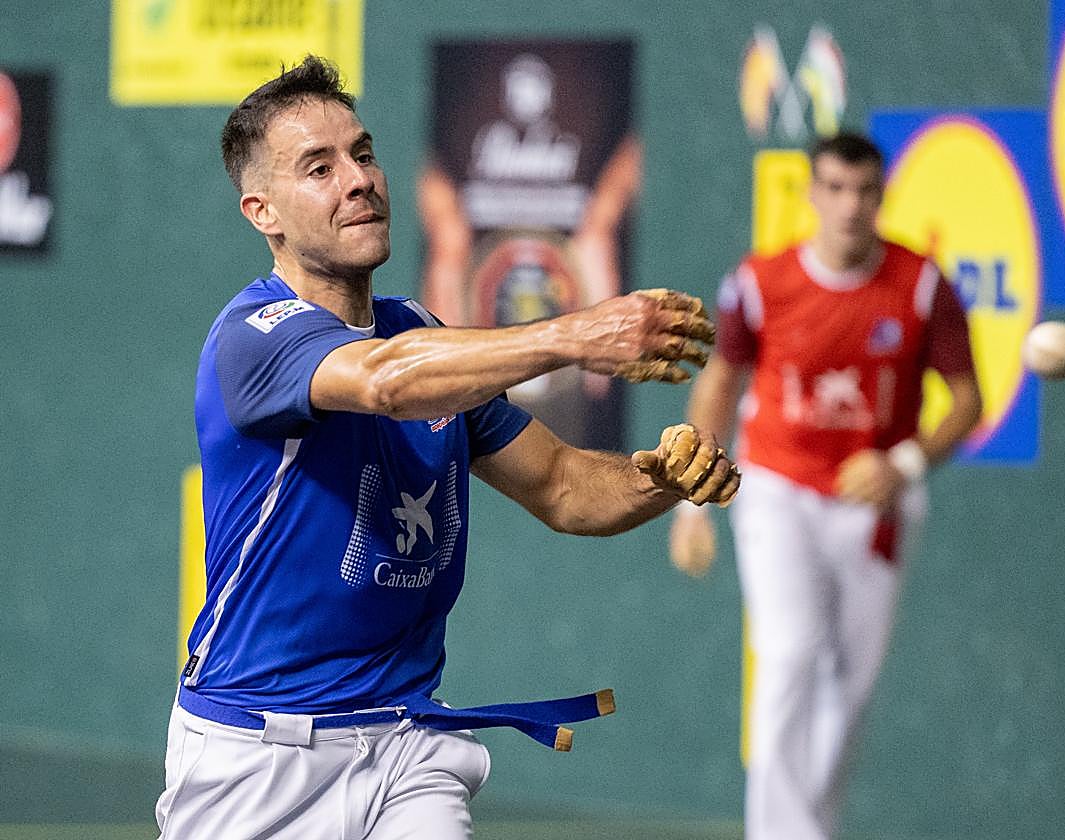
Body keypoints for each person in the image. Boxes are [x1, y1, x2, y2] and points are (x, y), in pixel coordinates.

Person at [155, 56, 739, 840]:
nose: (357, 180)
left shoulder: (421, 334)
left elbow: (565, 486)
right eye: (318, 168)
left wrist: (664, 481)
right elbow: (386, 383)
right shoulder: (252, 339)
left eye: (362, 154)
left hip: (408, 744)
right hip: (259, 757)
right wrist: (573, 334)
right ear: (264, 212)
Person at [669, 131, 982, 840]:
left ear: (882, 196)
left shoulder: (922, 286)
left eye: (866, 191)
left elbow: (966, 401)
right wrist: (694, 504)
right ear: (811, 195)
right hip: (777, 488)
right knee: (789, 655)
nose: (850, 206)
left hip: (876, 505)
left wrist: (901, 463)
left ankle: (813, 827)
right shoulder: (758, 284)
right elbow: (720, 386)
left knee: (852, 687)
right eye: (835, 189)